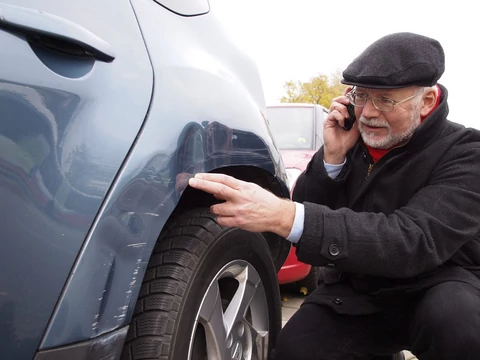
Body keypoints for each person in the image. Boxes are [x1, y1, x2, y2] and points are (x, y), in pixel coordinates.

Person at [188, 32, 480, 360]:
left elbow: (412, 241)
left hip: (437, 287)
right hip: (359, 291)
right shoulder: (351, 140)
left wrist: (285, 215)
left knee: (460, 326)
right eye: (360, 96)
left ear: (426, 101)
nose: (368, 112)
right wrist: (332, 158)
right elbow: (310, 226)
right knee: (297, 347)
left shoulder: (466, 152)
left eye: (385, 100)